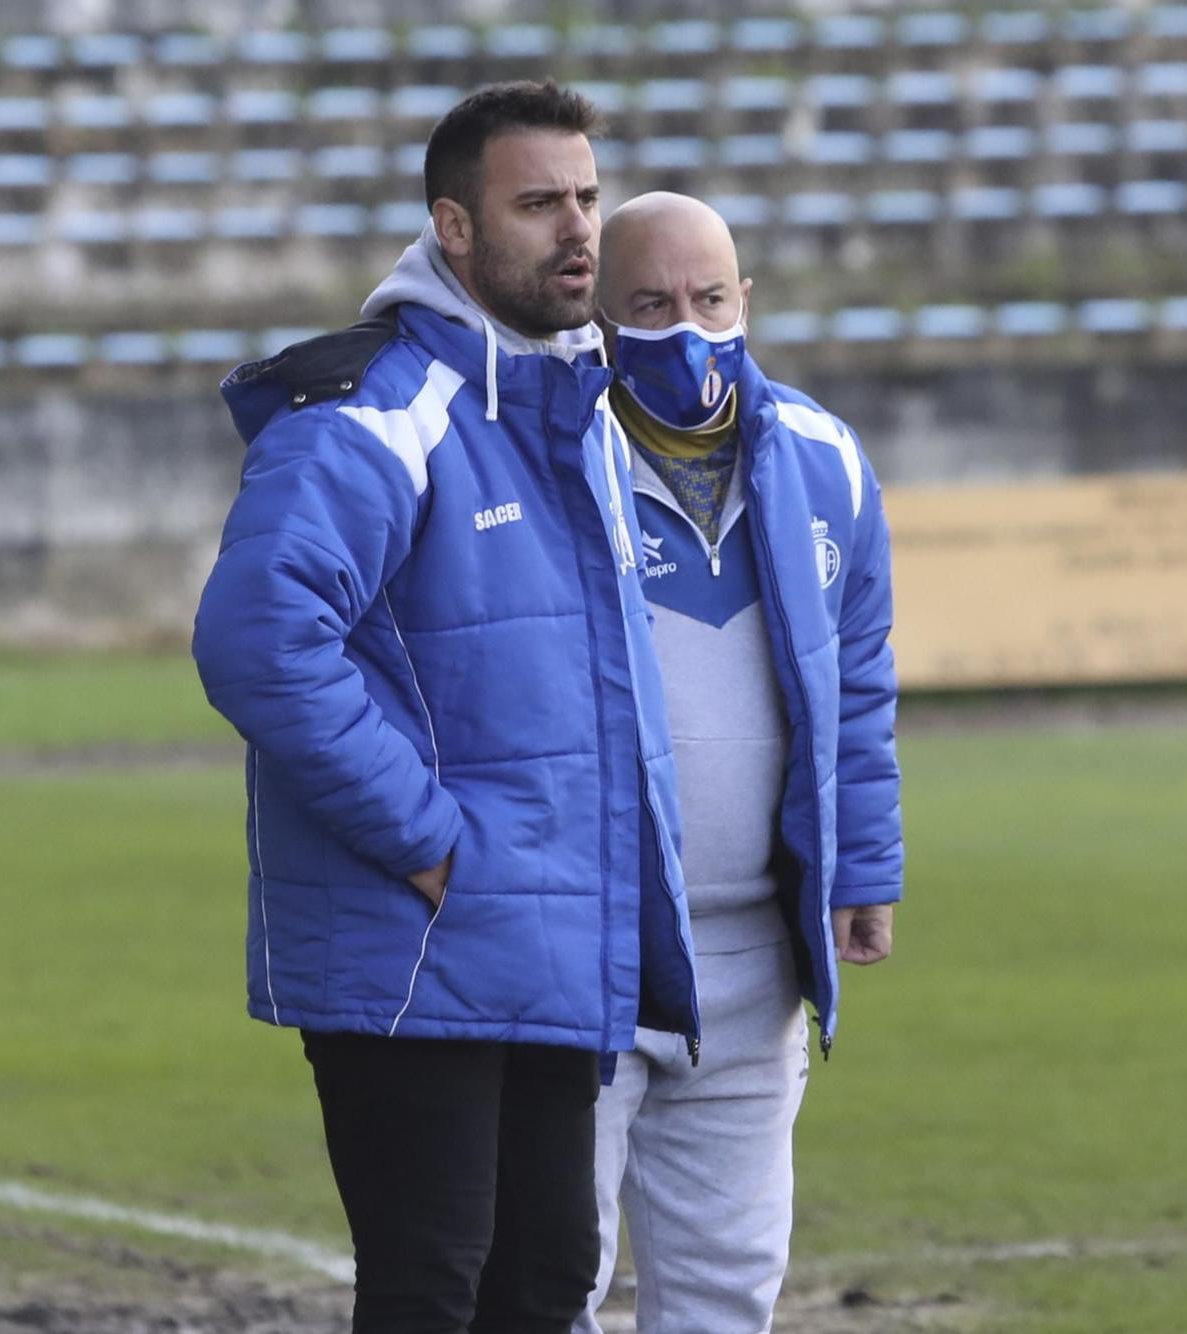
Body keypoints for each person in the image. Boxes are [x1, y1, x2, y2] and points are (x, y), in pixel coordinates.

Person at [191, 83, 698, 1334]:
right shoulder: (377, 413)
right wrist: (424, 840)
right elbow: (258, 638)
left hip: (541, 937)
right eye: (537, 204)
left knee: (537, 1288)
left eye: (585, 197)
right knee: (431, 1289)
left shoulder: (571, 407)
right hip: (418, 946)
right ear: (453, 230)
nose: (578, 228)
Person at [577, 192, 905, 1334]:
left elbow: (855, 687)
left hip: (756, 958)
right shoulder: (546, 457)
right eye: (651, 306)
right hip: (584, 952)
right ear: (601, 319)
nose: (689, 328)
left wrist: (860, 866)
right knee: (545, 1280)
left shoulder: (823, 458)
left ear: (745, 298)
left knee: (726, 1287)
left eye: (710, 298)